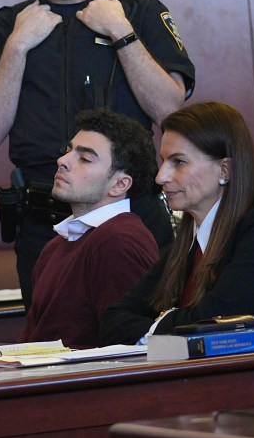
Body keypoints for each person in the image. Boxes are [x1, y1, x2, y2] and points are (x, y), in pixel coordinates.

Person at [0, 0, 195, 309]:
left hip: (131, 213)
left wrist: (121, 34)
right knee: (51, 349)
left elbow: (170, 110)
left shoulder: (138, 11)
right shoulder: (6, 26)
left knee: (148, 341)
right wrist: (17, 47)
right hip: (44, 220)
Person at [101, 102, 254, 392]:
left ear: (225, 168)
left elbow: (211, 328)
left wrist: (156, 326)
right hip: (228, 393)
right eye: (163, 161)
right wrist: (169, 331)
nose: (161, 176)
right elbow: (113, 321)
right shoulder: (189, 240)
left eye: (178, 162)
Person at [20, 110, 160, 348]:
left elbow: (127, 351)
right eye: (68, 150)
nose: (62, 161)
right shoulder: (56, 246)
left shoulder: (118, 241)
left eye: (84, 158)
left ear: (119, 184)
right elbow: (34, 342)